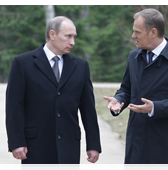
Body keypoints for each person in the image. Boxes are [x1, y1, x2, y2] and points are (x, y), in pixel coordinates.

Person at [104, 8, 168, 170]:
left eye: (137, 32)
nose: (133, 36)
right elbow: (126, 88)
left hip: (165, 144)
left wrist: (155, 107)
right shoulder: (133, 57)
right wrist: (119, 100)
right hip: (137, 140)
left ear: (153, 32)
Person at [6, 16, 101, 170]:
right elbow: (14, 107)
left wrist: (94, 145)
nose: (73, 42)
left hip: (69, 146)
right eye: (68, 36)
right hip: (35, 146)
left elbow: (88, 109)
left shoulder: (81, 66)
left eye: (74, 37)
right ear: (52, 34)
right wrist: (17, 142)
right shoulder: (23, 63)